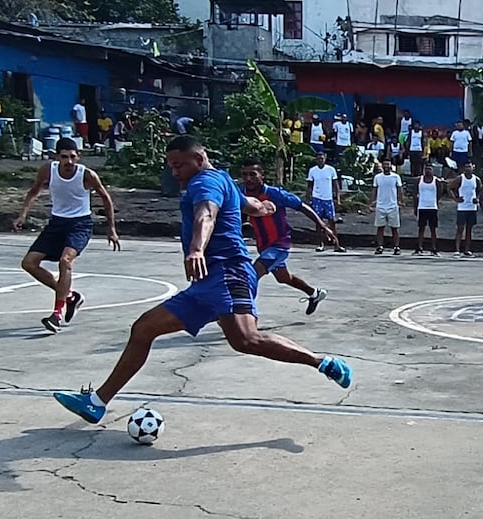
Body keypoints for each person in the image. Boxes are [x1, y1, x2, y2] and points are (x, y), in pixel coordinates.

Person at [53, 136, 352, 424]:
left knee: (247, 339)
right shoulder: (222, 179)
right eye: (171, 166)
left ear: (198, 158)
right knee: (144, 329)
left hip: (227, 272)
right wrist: (263, 208)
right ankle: (97, 403)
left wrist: (196, 248)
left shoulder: (204, 183)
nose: (175, 172)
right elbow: (247, 204)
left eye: (179, 165)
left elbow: (206, 215)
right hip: (208, 280)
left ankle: (323, 362)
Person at [12, 137, 118, 333]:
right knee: (29, 263)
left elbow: (106, 198)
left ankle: (57, 314)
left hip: (80, 224)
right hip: (56, 223)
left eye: (72, 157)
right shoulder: (47, 170)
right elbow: (34, 191)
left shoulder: (87, 175)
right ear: (56, 157)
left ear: (78, 157)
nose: (69, 162)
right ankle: (70, 296)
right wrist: (22, 215)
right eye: (64, 157)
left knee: (65, 261)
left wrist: (110, 229)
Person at [239, 159, 329, 314]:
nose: (248, 179)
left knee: (250, 276)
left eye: (252, 174)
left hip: (279, 245)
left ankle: (246, 315)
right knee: (283, 277)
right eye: (245, 175)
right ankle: (314, 293)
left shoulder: (275, 194)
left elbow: (301, 206)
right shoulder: (241, 194)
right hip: (264, 245)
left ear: (262, 176)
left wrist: (322, 225)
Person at [305, 153, 343, 252]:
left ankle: (336, 244)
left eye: (322, 158)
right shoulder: (312, 170)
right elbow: (309, 186)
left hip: (328, 198)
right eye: (318, 159)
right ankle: (321, 244)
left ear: (325, 158)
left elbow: (336, 185)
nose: (320, 160)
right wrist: (308, 198)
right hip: (317, 198)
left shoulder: (331, 170)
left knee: (332, 222)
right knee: (318, 222)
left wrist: (338, 198)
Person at [372, 157, 403, 255]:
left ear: (391, 166)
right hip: (380, 205)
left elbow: (400, 189)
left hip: (392, 205)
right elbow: (374, 190)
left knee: (395, 228)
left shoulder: (396, 177)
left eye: (388, 164)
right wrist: (372, 202)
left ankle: (396, 247)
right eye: (384, 164)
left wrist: (401, 200)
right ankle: (380, 246)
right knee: (380, 227)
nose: (386, 166)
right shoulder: (377, 177)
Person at [451, 162, 481, 257]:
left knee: (469, 229)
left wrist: (478, 199)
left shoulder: (476, 179)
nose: (468, 168)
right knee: (460, 228)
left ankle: (467, 250)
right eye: (466, 166)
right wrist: (455, 198)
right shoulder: (460, 178)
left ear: (473, 168)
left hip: (472, 207)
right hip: (462, 207)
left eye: (470, 166)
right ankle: (457, 249)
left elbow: (480, 191)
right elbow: (449, 187)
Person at [414, 164, 443, 256]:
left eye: (430, 169)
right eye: (426, 169)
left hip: (432, 207)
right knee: (421, 228)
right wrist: (415, 207)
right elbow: (415, 193)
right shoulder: (419, 180)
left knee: (433, 229)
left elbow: (440, 193)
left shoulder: (436, 181)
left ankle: (434, 248)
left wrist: (435, 202)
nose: (428, 171)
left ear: (433, 171)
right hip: (422, 207)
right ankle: (419, 247)